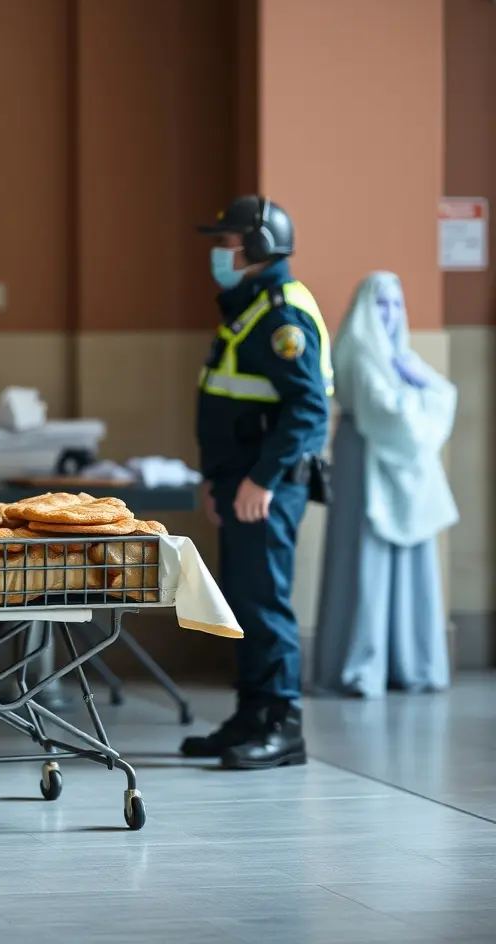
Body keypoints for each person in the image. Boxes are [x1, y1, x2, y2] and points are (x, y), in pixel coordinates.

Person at [181, 195, 332, 770]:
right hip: (240, 482)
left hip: (265, 485)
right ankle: (251, 714)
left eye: (226, 242)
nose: (219, 253)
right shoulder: (250, 306)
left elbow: (308, 409)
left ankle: (282, 726)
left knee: (265, 602)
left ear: (257, 245)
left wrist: (261, 481)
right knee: (244, 601)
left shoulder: (281, 316)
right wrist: (217, 481)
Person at [313, 272, 456, 698]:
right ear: (364, 308)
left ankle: (410, 662)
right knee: (365, 561)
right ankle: (362, 666)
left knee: (408, 565)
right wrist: (422, 395)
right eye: (381, 304)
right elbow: (392, 416)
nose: (390, 313)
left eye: (396, 304)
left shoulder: (399, 356)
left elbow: (443, 396)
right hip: (366, 463)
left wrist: (419, 386)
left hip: (399, 468)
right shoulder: (358, 353)